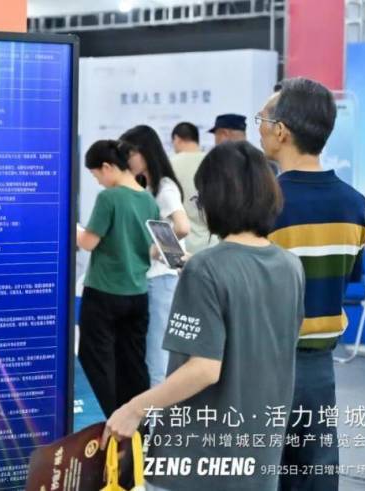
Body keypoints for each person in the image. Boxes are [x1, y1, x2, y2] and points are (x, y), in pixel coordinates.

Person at [102, 141, 305, 491]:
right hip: (259, 458)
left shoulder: (206, 269)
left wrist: (135, 408)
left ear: (216, 199)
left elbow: (204, 369)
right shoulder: (291, 265)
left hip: (197, 460)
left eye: (199, 197)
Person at [257, 77, 365, 491]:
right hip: (320, 367)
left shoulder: (262, 203)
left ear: (281, 131)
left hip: (264, 364)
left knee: (259, 472)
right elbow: (348, 278)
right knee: (316, 474)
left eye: (262, 119)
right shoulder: (354, 204)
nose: (259, 127)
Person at [76, 139, 160, 418]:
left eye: (96, 175)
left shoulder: (109, 198)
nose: (98, 182)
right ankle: (137, 428)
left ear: (107, 167)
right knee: (133, 365)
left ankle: (104, 428)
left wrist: (73, 229)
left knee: (98, 365)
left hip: (103, 293)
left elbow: (88, 243)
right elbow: (152, 247)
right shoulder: (148, 199)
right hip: (137, 294)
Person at [120, 125, 189, 387]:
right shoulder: (147, 186)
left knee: (156, 359)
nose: (127, 161)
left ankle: (156, 413)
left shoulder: (164, 187)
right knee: (147, 356)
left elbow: (182, 227)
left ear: (145, 152)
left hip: (160, 280)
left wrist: (154, 249)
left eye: (130, 154)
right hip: (150, 279)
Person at [170, 122, 215, 253]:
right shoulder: (214, 161)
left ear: (177, 139)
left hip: (184, 245)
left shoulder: (170, 164)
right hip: (214, 243)